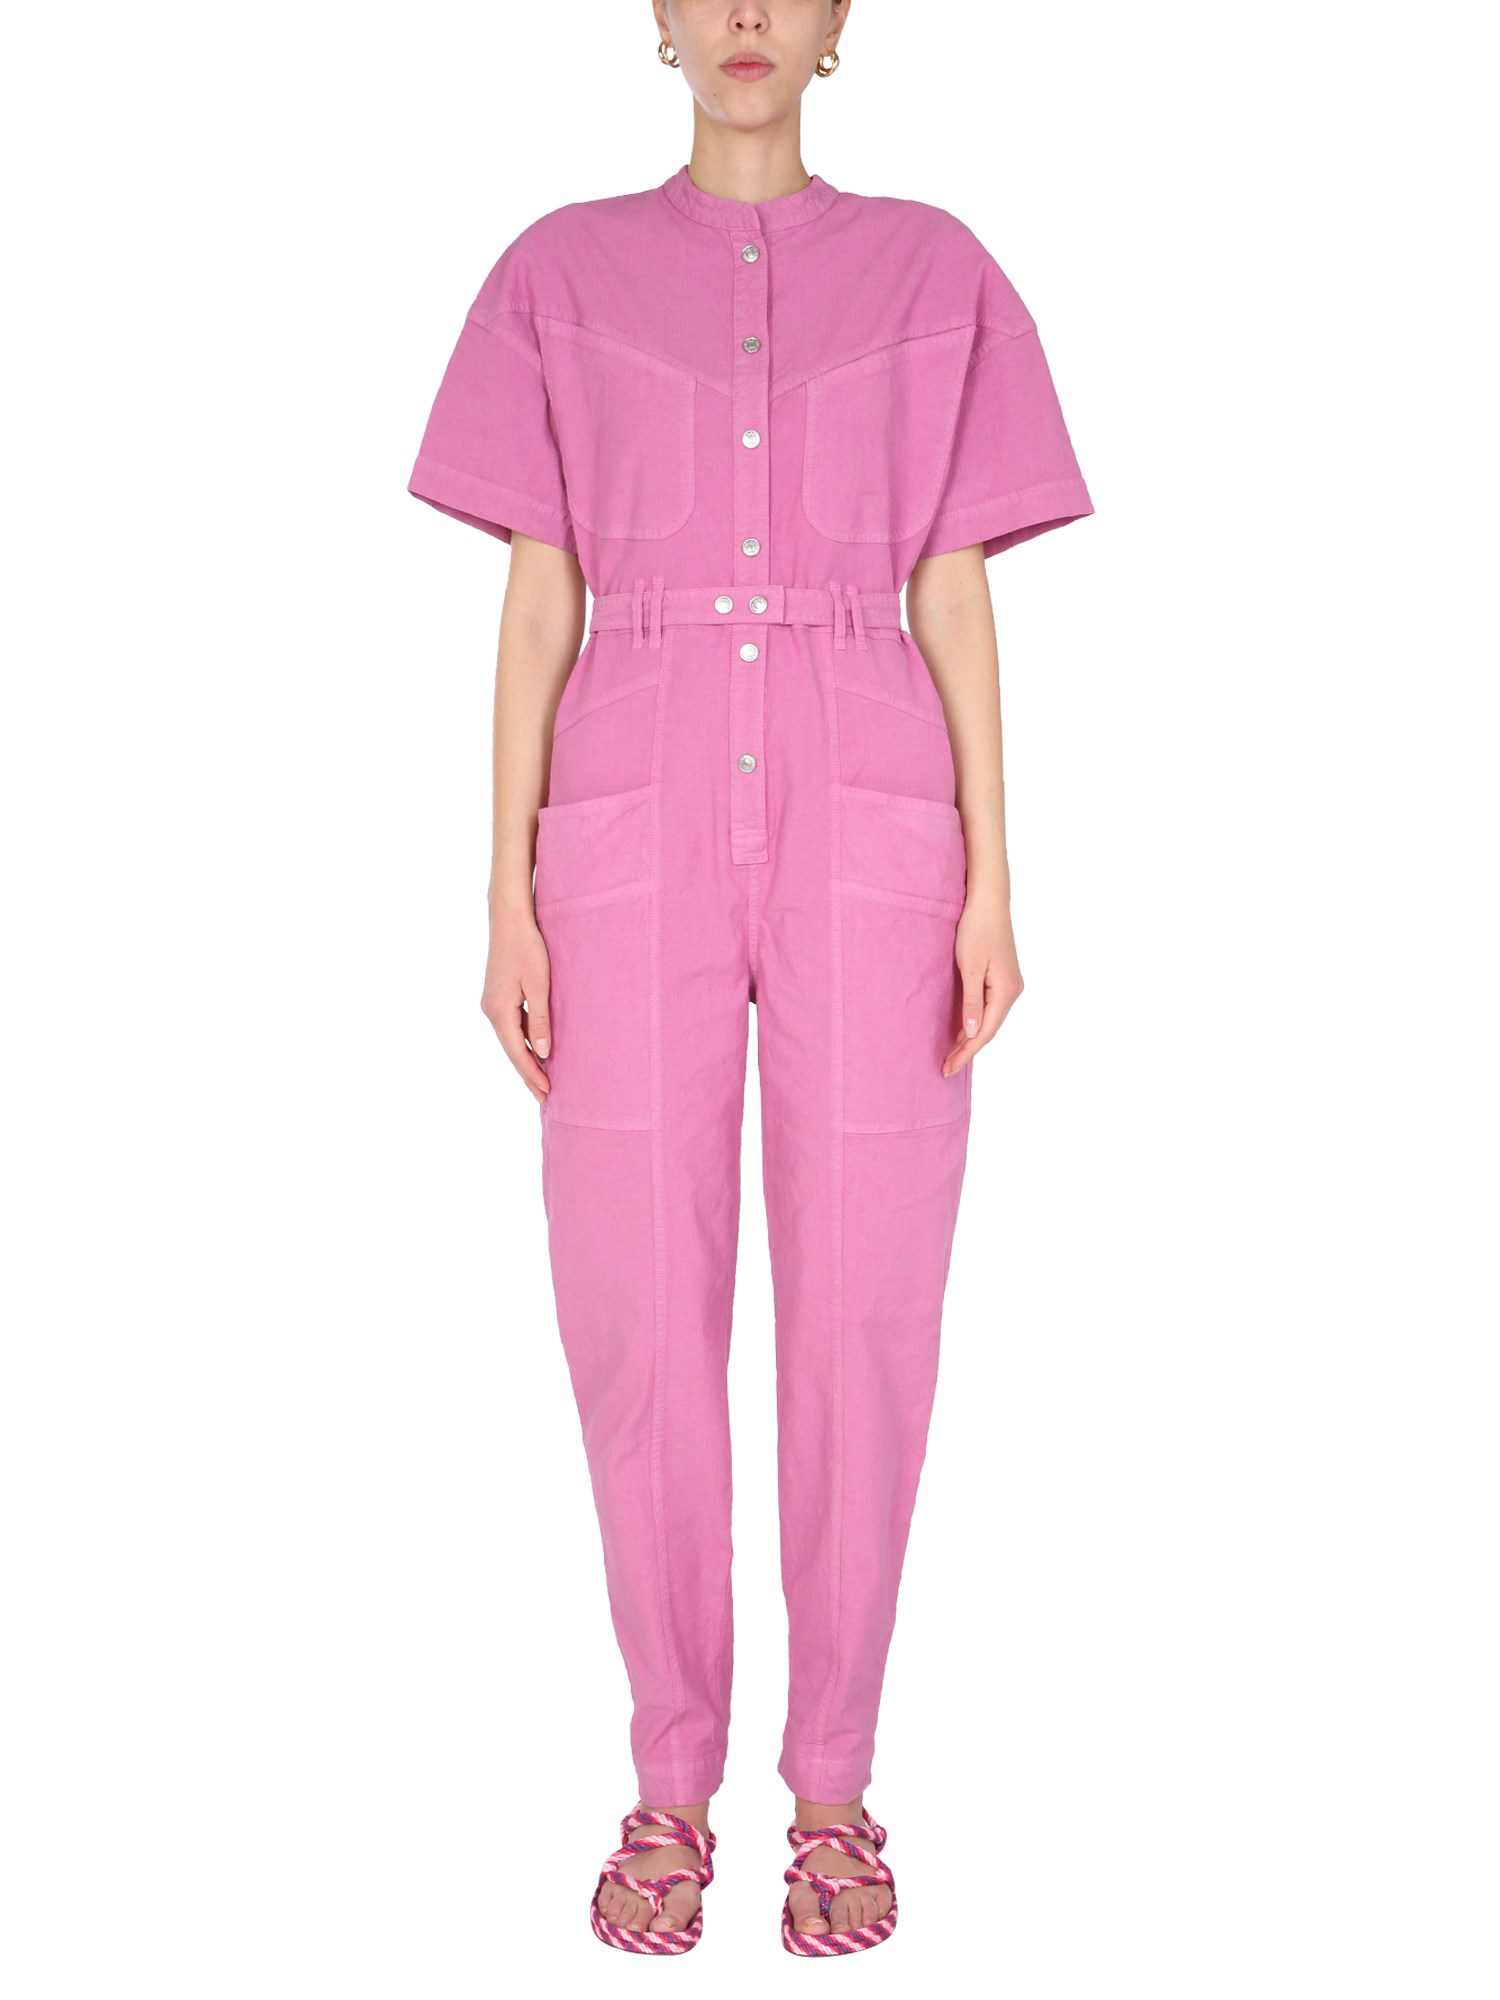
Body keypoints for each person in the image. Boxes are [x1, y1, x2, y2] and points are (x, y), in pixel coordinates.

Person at [406, 0, 1092, 1959]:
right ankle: (669, 1776)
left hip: (871, 794)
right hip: (625, 807)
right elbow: (539, 592)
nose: (743, 18)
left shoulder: (939, 272)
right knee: (636, 1302)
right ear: (655, 16)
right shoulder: (555, 275)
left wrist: (994, 876)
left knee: (866, 1304)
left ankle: (837, 1788)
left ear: (839, 21)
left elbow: (952, 581)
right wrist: (505, 889)